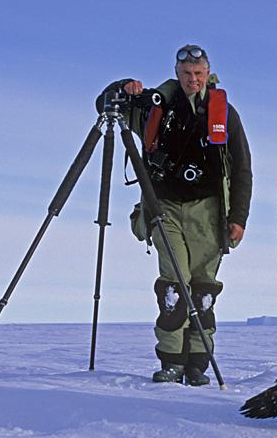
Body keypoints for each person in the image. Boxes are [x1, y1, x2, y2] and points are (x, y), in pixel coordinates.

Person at [96, 44, 252, 386]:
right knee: (174, 286)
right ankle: (172, 362)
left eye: (198, 74)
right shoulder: (156, 106)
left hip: (210, 212)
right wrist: (124, 87)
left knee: (203, 290)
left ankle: (197, 363)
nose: (192, 80)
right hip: (165, 206)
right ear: (177, 73)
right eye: (185, 74)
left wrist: (239, 216)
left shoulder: (224, 113)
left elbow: (242, 169)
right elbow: (104, 103)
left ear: (207, 74)